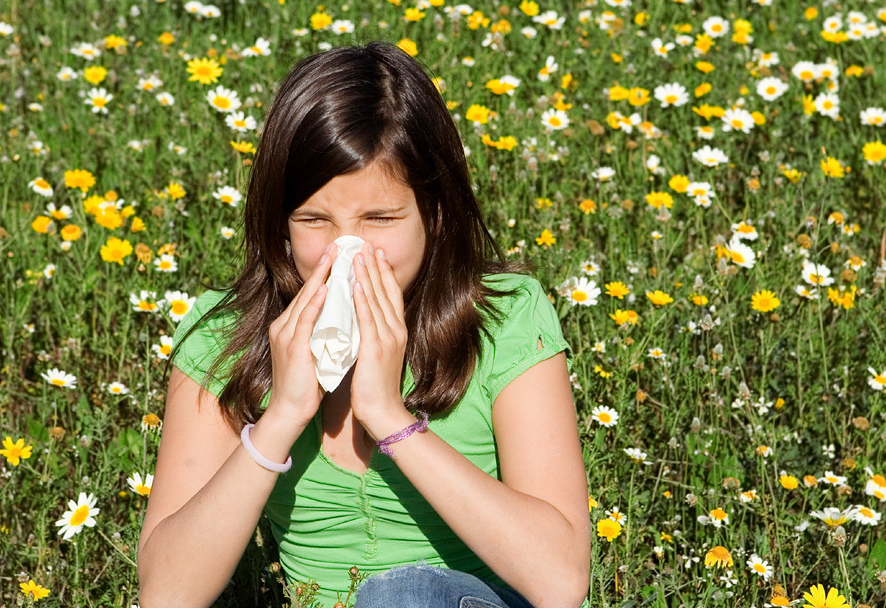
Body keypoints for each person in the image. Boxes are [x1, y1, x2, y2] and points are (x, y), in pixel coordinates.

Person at [137, 42, 591, 608]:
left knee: (408, 594)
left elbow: (561, 581)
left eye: (380, 218)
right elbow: (166, 595)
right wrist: (280, 417)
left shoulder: (505, 317)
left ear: (437, 213)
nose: (346, 250)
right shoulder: (223, 336)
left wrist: (388, 416)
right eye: (314, 220)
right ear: (280, 221)